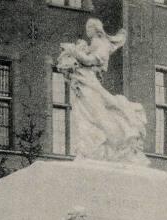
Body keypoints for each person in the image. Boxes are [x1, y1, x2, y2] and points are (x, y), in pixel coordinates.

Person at [56, 18, 148, 165]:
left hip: (89, 82)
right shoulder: (94, 43)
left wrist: (74, 51)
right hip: (83, 81)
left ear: (95, 28)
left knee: (94, 115)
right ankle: (87, 150)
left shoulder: (102, 44)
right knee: (84, 115)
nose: (87, 31)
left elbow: (90, 60)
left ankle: (104, 146)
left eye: (89, 28)